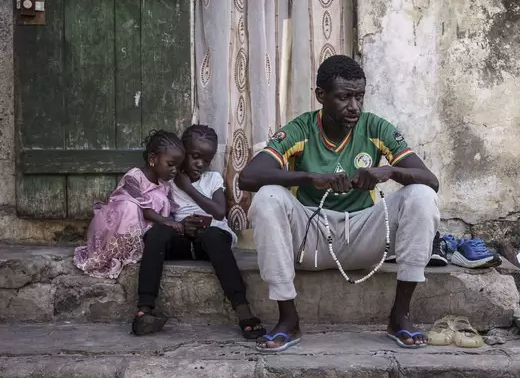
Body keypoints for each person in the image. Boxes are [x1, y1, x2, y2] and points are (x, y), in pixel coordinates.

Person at [239, 55, 441, 352]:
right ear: (321, 96)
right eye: (344, 97)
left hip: (366, 238)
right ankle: (288, 319)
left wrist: (390, 171)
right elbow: (248, 177)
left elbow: (431, 180)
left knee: (422, 195)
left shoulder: (375, 127)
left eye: (359, 96)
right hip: (311, 239)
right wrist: (309, 178)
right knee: (268, 197)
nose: (354, 107)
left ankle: (400, 316)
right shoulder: (301, 129)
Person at [132, 125, 266, 339]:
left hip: (212, 238)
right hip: (183, 237)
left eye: (206, 159)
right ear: (183, 152)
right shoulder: (167, 180)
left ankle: (243, 311)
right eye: (194, 156)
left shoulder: (212, 179)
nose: (200, 164)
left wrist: (188, 188)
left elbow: (220, 212)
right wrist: (181, 225)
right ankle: (144, 311)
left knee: (213, 235)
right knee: (156, 234)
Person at [74, 130, 185, 279]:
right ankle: (123, 252)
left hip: (148, 234)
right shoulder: (134, 176)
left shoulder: (164, 185)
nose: (174, 171)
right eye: (171, 164)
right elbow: (142, 207)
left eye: (177, 167)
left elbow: (171, 210)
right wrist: (165, 221)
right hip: (117, 229)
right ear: (153, 158)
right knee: (130, 206)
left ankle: (144, 248)